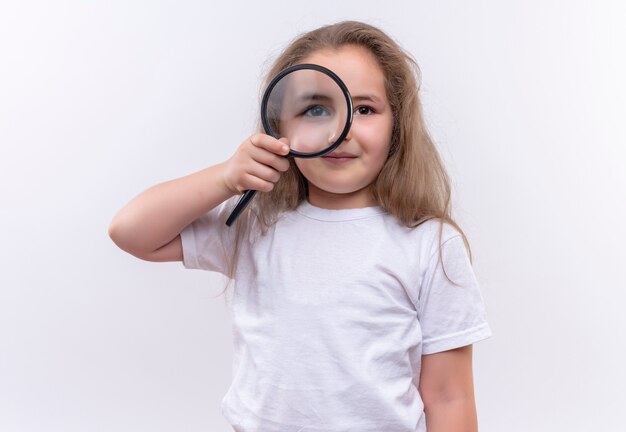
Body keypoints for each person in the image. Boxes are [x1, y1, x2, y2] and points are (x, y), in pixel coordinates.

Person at [109, 20, 492, 432]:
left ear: (396, 125)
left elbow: (450, 396)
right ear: (280, 129)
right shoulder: (255, 225)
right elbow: (130, 231)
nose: (339, 130)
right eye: (315, 109)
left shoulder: (427, 243)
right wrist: (225, 177)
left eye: (364, 109)